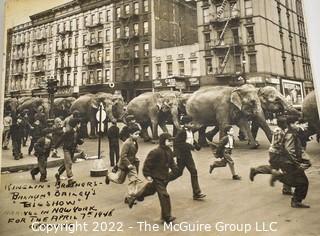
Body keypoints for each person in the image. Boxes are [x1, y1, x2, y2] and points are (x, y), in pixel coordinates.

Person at [128, 133, 178, 223]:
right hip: (157, 176)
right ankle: (167, 216)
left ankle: (134, 197)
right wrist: (147, 175)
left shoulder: (169, 151)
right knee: (164, 195)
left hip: (164, 176)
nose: (171, 142)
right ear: (163, 141)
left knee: (150, 190)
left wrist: (175, 170)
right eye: (169, 140)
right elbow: (147, 164)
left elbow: (171, 163)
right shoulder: (155, 152)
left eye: (171, 140)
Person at [270, 116, 311, 208]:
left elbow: (299, 149)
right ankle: (295, 200)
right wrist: (298, 163)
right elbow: (289, 150)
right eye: (297, 123)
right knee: (302, 182)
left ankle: (295, 200)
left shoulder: (292, 133)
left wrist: (306, 159)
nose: (298, 125)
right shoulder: (290, 135)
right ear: (291, 124)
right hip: (289, 162)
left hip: (289, 162)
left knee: (300, 181)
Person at [249, 116, 292, 195]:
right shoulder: (279, 132)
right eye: (286, 123)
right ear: (282, 124)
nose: (287, 125)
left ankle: (287, 188)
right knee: (281, 168)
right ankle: (286, 188)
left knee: (281, 168)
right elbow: (278, 144)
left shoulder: (279, 130)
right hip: (276, 153)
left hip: (276, 152)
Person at [168, 115, 206, 200]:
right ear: (185, 124)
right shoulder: (181, 132)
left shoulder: (190, 131)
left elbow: (191, 139)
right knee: (178, 173)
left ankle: (196, 193)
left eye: (192, 123)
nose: (192, 125)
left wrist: (196, 145)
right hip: (181, 156)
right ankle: (163, 181)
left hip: (187, 155)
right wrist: (190, 146)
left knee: (193, 171)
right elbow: (178, 143)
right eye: (190, 123)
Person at [105, 126, 143, 203]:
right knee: (119, 180)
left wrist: (135, 160)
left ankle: (129, 197)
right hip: (125, 165)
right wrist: (128, 164)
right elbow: (123, 156)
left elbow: (133, 153)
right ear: (130, 134)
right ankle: (109, 176)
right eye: (136, 134)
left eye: (138, 134)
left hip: (132, 165)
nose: (138, 136)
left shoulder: (134, 142)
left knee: (133, 180)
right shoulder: (127, 143)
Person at [54, 118, 84, 187]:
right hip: (66, 149)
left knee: (66, 164)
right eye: (79, 123)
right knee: (69, 163)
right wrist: (55, 148)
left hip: (72, 150)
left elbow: (77, 140)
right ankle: (70, 180)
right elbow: (61, 139)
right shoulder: (68, 132)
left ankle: (58, 174)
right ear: (76, 124)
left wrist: (81, 141)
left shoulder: (77, 132)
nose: (80, 125)